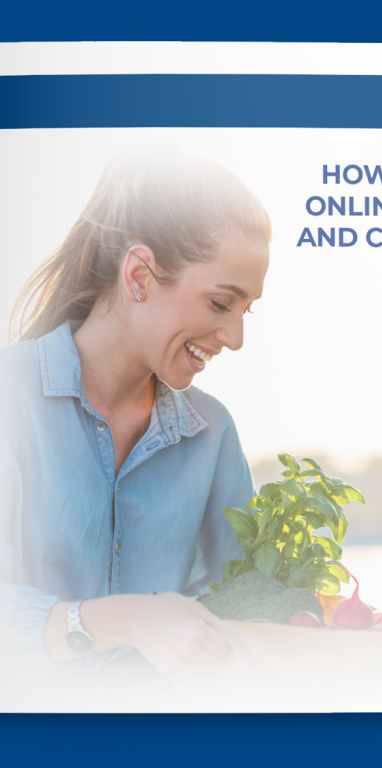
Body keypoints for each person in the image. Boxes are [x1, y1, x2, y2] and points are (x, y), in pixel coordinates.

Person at [0, 142, 271, 693]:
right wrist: (132, 620)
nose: (237, 339)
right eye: (222, 304)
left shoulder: (211, 434)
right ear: (141, 276)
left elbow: (249, 611)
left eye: (248, 310)